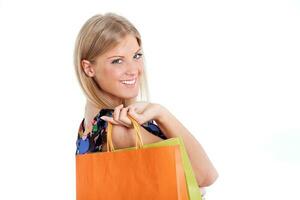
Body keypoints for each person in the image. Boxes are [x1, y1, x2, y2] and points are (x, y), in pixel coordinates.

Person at [74, 12, 218, 198]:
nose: (134, 69)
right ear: (89, 68)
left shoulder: (90, 125)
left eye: (137, 55)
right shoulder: (120, 130)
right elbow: (206, 175)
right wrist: (162, 113)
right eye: (117, 60)